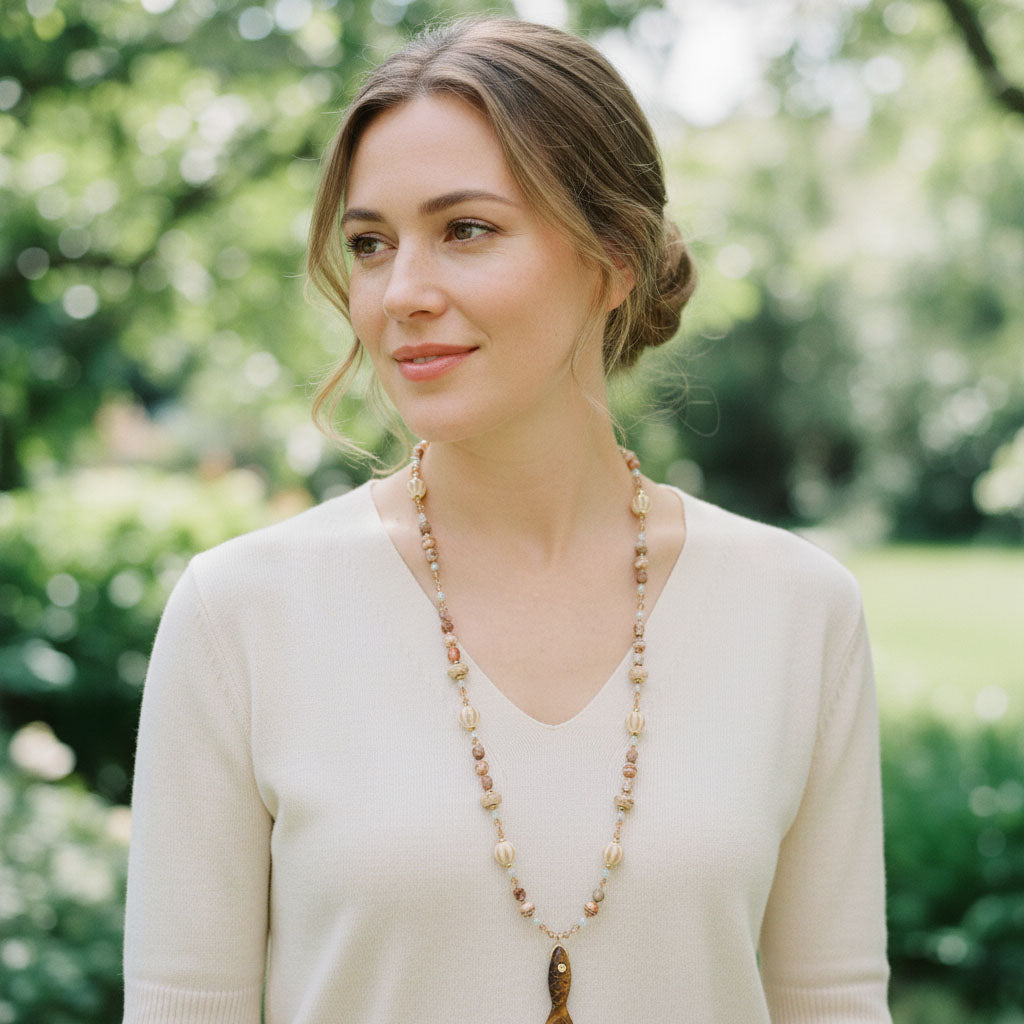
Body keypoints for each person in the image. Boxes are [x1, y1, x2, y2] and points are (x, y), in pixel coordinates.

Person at [121, 16, 892, 1023]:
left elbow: (831, 1005)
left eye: (466, 230)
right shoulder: (239, 615)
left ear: (613, 258)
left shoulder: (798, 611)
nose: (402, 292)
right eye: (368, 244)